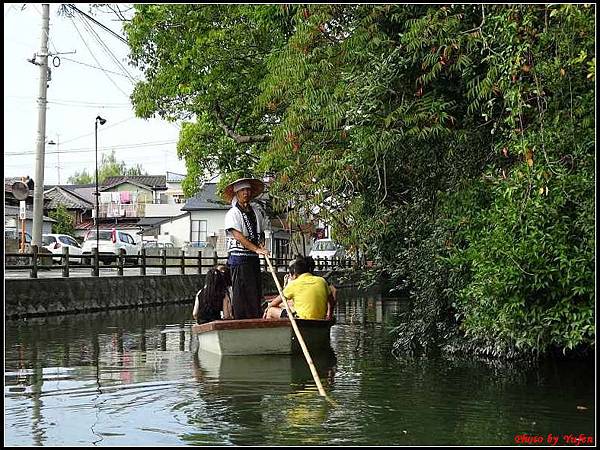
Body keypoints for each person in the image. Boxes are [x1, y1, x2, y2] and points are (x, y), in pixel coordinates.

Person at [222, 177, 270, 319]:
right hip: (239, 258)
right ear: (236, 193)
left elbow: (260, 233)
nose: (246, 193)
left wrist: (261, 244)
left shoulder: (256, 212)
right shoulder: (232, 214)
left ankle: (255, 318)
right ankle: (240, 319)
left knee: (255, 291)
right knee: (241, 293)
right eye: (242, 190)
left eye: (248, 190)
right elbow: (239, 236)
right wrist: (256, 249)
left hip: (253, 259)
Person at [263, 257, 334, 320]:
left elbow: (274, 303)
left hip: (301, 320)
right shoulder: (322, 280)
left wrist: (266, 309)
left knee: (271, 310)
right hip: (320, 320)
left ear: (295, 274)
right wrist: (329, 315)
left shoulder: (294, 284)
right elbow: (331, 301)